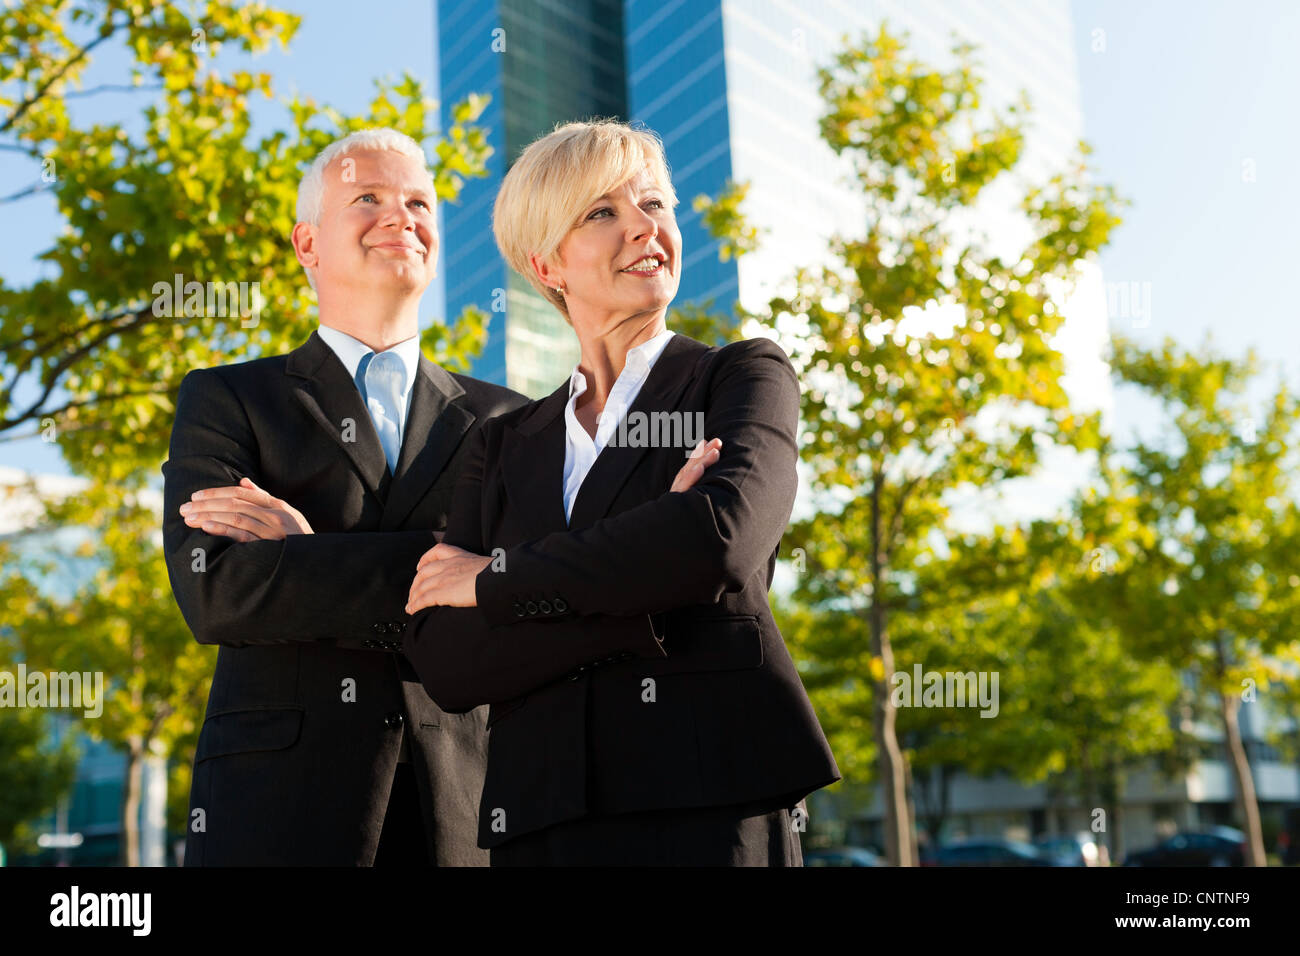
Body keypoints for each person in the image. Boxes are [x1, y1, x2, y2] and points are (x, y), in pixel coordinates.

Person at [402, 119, 840, 866]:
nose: (645, 228)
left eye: (656, 206)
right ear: (548, 264)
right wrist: (645, 587)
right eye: (603, 213)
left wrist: (496, 580)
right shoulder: (501, 443)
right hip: (540, 821)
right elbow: (446, 660)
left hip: (710, 806)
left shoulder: (742, 377)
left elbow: (718, 541)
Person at [162, 128, 529, 865]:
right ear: (307, 244)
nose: (402, 216)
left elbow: (523, 594)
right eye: (368, 198)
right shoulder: (228, 397)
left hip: (466, 806)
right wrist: (455, 569)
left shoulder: (510, 419)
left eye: (419, 202)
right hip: (277, 809)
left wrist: (307, 557)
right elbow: (218, 593)